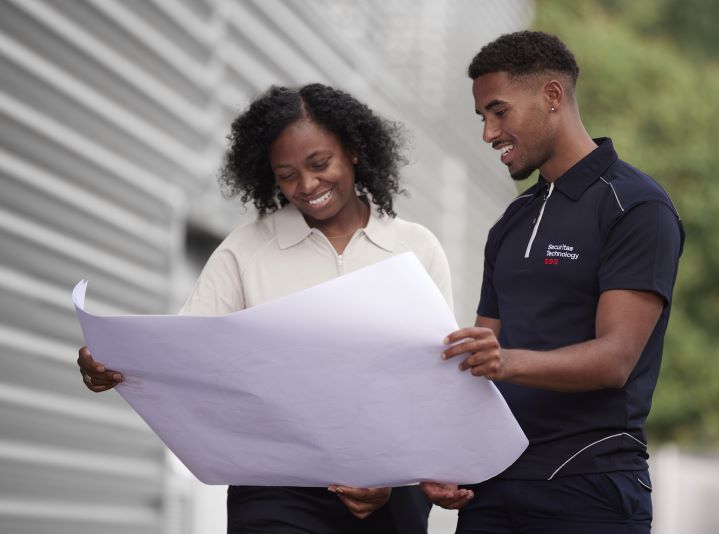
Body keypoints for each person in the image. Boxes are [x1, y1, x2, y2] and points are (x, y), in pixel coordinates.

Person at [77, 83, 453, 534]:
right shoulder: (246, 249)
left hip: (389, 483)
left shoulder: (416, 247)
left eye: (320, 164)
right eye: (287, 173)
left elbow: (433, 380)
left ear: (354, 150)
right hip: (278, 486)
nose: (307, 185)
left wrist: (391, 475)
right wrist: (113, 363)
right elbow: (181, 350)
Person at [420, 31, 684, 533]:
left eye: (499, 112)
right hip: (492, 488)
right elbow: (480, 360)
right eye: (482, 118)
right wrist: (446, 456)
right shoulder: (511, 222)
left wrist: (505, 361)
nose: (488, 133)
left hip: (591, 486)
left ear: (552, 97)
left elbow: (615, 359)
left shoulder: (636, 207)